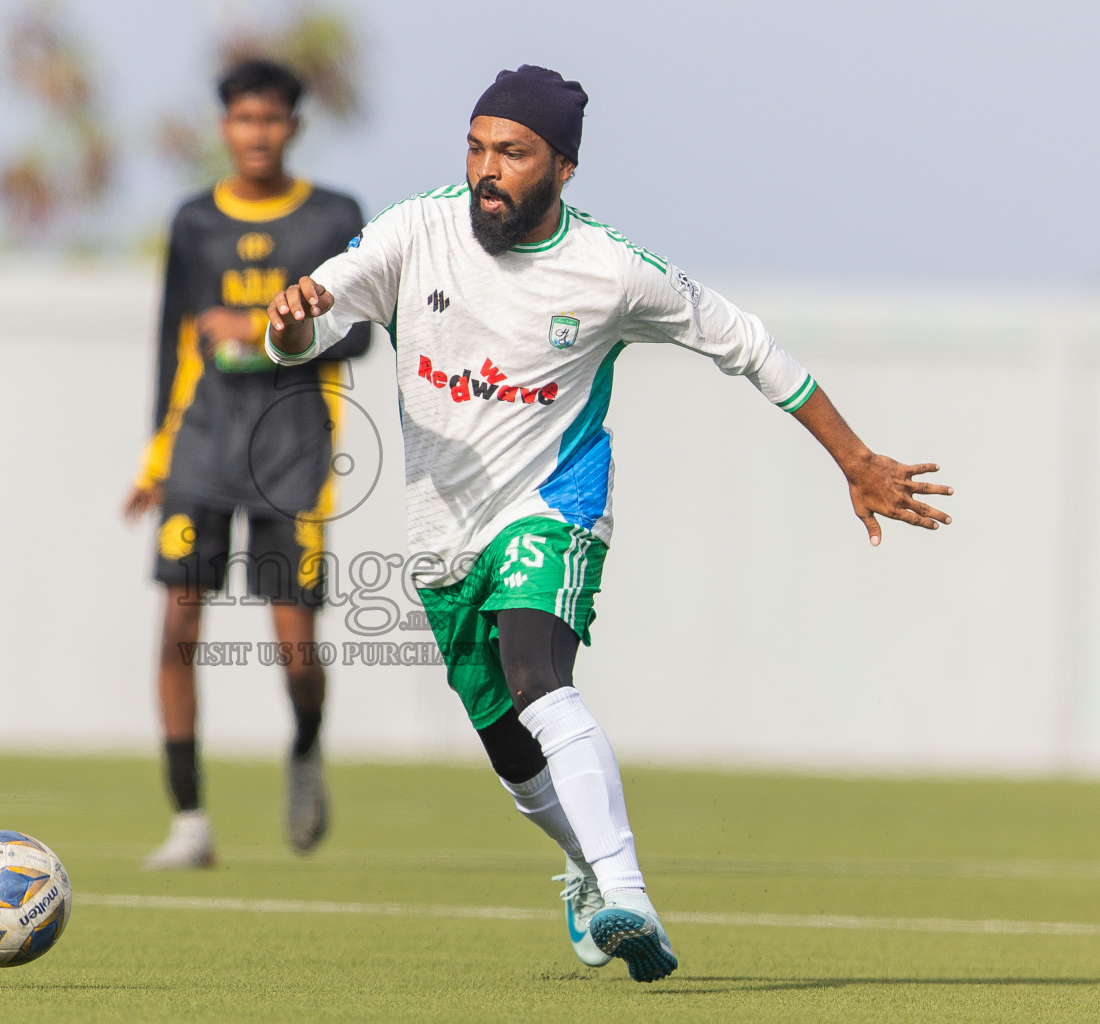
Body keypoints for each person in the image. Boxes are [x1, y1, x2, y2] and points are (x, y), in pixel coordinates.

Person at [264, 65, 952, 981]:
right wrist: (289, 324)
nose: (486, 170)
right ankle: (586, 868)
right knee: (511, 752)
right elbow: (308, 323)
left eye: (512, 152)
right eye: (475, 147)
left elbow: (747, 345)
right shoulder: (414, 231)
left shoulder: (612, 271)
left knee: (538, 678)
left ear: (564, 166)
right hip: (440, 536)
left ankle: (627, 892)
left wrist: (854, 457)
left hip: (553, 507)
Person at [124, 58, 370, 870]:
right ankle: (189, 819)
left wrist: (272, 323)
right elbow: (174, 337)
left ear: (294, 128)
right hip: (200, 450)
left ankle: (305, 748)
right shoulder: (195, 221)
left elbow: (363, 330)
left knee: (295, 642)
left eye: (271, 120)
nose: (256, 134)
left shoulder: (333, 218)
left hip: (290, 453)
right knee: (178, 625)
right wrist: (154, 455)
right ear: (223, 127)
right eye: (241, 120)